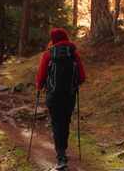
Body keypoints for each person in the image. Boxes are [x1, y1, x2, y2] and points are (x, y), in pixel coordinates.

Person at [36, 28, 86, 170]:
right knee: (65, 121)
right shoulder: (73, 54)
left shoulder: (48, 55)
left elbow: (41, 76)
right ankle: (63, 150)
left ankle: (61, 156)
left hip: (53, 96)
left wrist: (39, 87)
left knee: (57, 123)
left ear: (53, 39)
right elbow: (82, 77)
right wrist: (74, 85)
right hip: (69, 95)